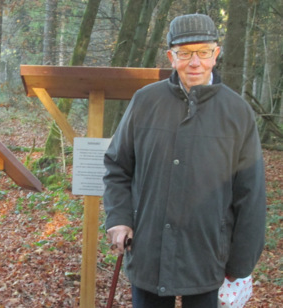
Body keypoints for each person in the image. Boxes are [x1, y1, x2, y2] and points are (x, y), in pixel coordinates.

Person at [103, 14, 266, 308]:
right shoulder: (145, 102)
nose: (195, 62)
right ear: (171, 57)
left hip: (207, 256)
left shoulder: (237, 113)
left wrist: (240, 265)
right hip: (148, 251)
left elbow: (250, 194)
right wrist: (119, 218)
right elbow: (118, 166)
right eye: (185, 53)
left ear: (216, 54)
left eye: (204, 52)